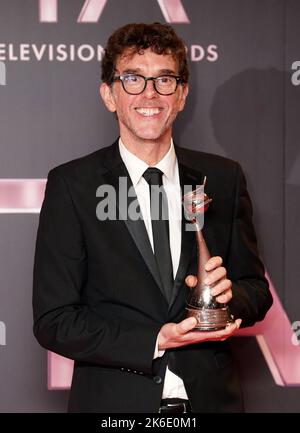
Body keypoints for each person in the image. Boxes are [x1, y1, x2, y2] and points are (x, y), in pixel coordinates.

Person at [32, 22, 273, 413]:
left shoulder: (224, 177)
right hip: (114, 405)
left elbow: (255, 291)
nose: (149, 94)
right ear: (109, 95)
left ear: (181, 96)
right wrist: (155, 339)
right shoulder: (73, 185)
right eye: (132, 79)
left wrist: (229, 299)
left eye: (164, 80)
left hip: (210, 402)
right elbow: (54, 319)